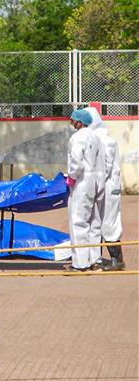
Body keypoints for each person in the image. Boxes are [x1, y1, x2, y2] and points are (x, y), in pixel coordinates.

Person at [85, 107, 125, 270]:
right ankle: (97, 258)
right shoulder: (95, 138)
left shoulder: (105, 141)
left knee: (109, 222)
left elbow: (106, 167)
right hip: (102, 186)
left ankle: (117, 260)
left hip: (108, 187)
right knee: (97, 222)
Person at [65, 109, 102, 272]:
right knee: (93, 221)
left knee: (78, 221)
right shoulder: (94, 136)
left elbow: (76, 161)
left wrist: (71, 177)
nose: (71, 122)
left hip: (81, 182)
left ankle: (80, 264)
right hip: (94, 182)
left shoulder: (78, 137)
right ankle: (94, 260)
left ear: (79, 122)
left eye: (73, 120)